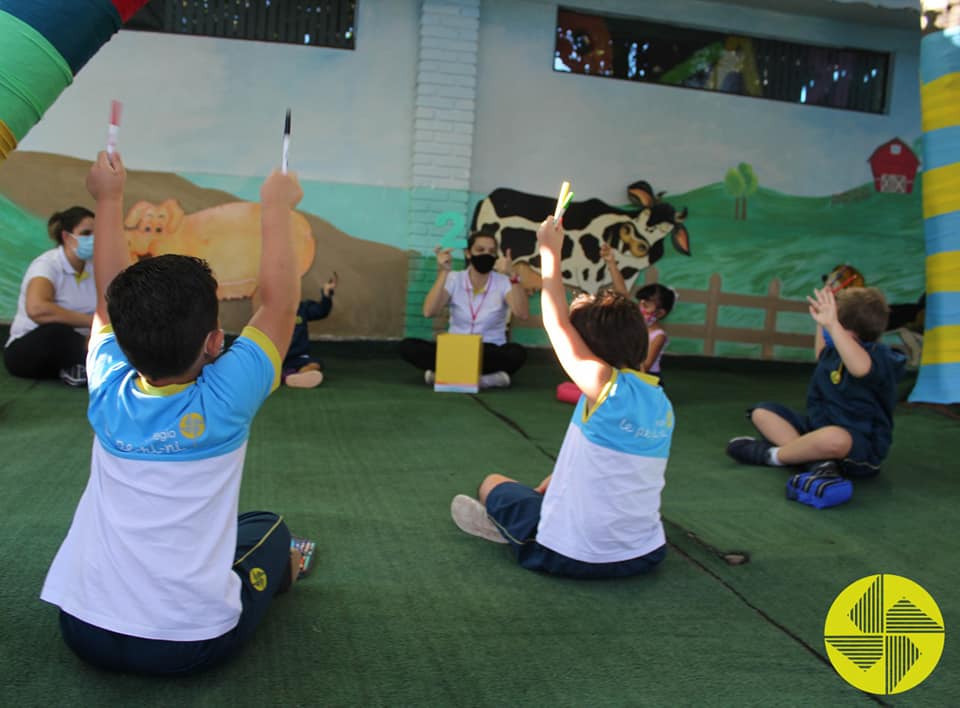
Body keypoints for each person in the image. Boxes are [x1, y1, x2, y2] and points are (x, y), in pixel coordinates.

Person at [40, 151, 315, 676]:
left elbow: (105, 301)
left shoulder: (107, 385)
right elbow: (279, 304)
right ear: (216, 342)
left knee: (239, 530)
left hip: (82, 627)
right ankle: (287, 568)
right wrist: (275, 207)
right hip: (188, 648)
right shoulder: (227, 396)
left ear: (121, 339)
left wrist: (109, 197)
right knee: (270, 530)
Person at [449, 215, 674, 579]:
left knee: (492, 483)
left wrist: (550, 253)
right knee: (544, 493)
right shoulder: (660, 402)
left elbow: (556, 324)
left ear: (591, 349)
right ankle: (532, 516)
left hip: (569, 555)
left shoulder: (604, 384)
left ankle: (516, 533)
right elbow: (612, 461)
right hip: (645, 554)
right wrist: (556, 479)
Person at [726, 286, 906, 478]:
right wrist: (822, 321)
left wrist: (833, 325)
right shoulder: (833, 351)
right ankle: (816, 461)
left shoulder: (880, 357)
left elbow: (860, 368)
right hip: (815, 429)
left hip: (857, 448)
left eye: (832, 323)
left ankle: (773, 456)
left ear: (841, 327)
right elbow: (821, 352)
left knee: (834, 437)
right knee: (762, 413)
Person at [400, 231, 529, 389]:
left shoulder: (504, 282)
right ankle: (491, 379)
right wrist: (444, 272)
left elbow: (522, 314)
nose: (486, 255)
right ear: (468, 253)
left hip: (488, 349)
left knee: (516, 353)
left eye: (491, 252)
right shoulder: (454, 278)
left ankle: (444, 375)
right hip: (455, 348)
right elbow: (429, 311)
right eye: (480, 250)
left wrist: (513, 276)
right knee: (408, 346)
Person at [4, 207, 98, 386]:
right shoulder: (47, 265)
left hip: (81, 343)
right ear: (66, 237)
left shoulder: (94, 269)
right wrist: (90, 321)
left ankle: (76, 367)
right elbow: (37, 309)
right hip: (27, 354)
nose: (93, 239)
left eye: (96, 233)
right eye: (86, 233)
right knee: (56, 331)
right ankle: (83, 365)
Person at [282, 273, 337, 388]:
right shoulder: (271, 311)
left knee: (316, 364)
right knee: (260, 366)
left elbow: (321, 311)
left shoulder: (302, 308)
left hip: (298, 357)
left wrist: (326, 295)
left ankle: (299, 376)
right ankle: (279, 376)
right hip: (277, 357)